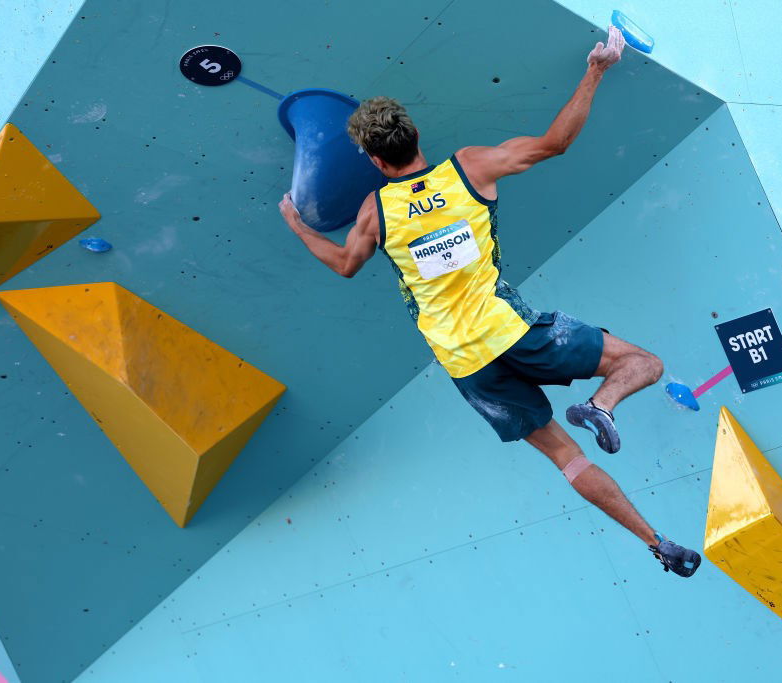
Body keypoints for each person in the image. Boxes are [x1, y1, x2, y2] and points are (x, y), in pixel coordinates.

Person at [277, 27, 700, 577]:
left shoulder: (374, 212)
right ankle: (601, 406)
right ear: (416, 135)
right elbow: (555, 144)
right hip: (513, 331)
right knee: (644, 363)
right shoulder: (469, 168)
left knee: (566, 457)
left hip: (465, 363)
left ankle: (657, 543)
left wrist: (296, 223)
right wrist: (597, 68)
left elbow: (342, 264)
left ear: (377, 164)